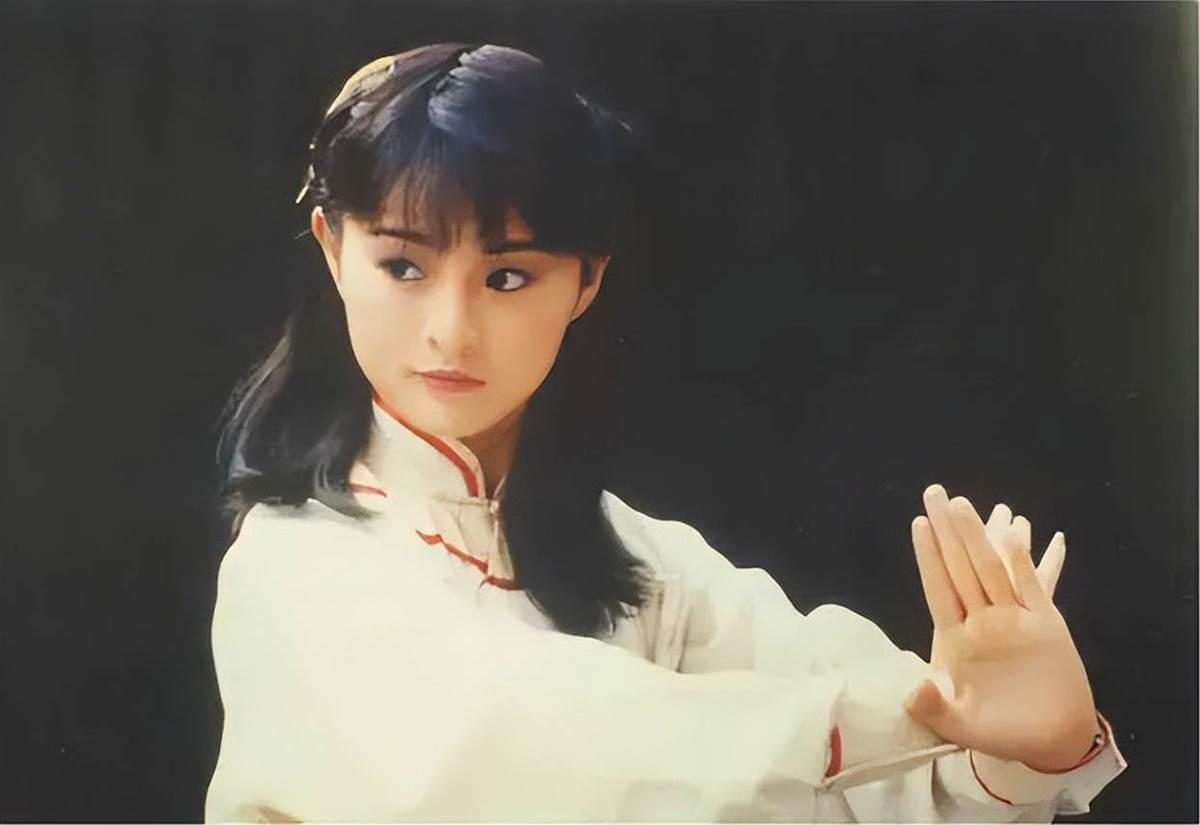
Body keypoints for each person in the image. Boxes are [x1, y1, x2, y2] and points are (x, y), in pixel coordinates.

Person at [204, 43, 1126, 822]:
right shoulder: (293, 568)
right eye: (403, 266)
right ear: (333, 248)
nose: (451, 329)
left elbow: (872, 795)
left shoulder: (639, 562)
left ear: (585, 283)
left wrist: (1024, 743)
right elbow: (548, 750)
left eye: (509, 276)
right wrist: (924, 716)